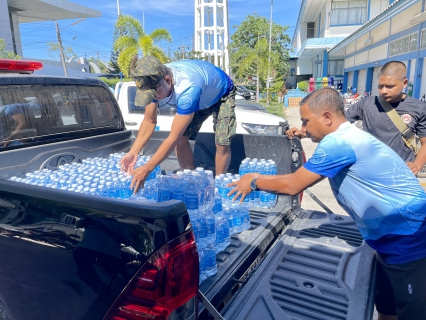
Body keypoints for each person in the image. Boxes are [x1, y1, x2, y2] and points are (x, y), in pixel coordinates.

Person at [229, 87, 426, 320]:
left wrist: (253, 183)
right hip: (389, 242)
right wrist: (258, 176)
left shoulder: (337, 144)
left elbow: (294, 185)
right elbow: (302, 176)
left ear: (326, 117)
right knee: (386, 309)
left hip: (409, 244)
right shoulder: (349, 136)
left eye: (305, 121)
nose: (303, 129)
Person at [286, 61, 426, 176]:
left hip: (401, 173)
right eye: (380, 86)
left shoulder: (419, 108)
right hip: (370, 171)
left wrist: (416, 165)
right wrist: (304, 133)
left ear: (405, 83)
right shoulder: (367, 104)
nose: (383, 90)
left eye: (390, 86)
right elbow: (335, 125)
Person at [120, 56, 236, 191]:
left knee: (222, 142)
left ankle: (219, 186)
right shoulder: (152, 80)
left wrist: (147, 168)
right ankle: (191, 178)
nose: (152, 97)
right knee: (182, 140)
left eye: (154, 93)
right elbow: (149, 121)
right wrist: (133, 152)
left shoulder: (188, 89)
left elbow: (172, 137)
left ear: (168, 80)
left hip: (222, 94)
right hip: (201, 96)